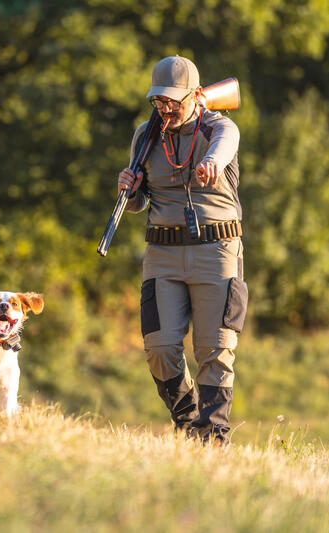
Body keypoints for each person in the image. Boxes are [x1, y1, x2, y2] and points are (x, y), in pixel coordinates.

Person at [117, 55, 248, 445]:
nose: (166, 108)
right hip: (163, 253)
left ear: (196, 95)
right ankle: (189, 421)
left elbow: (223, 149)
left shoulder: (220, 128)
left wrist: (209, 163)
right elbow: (139, 204)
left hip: (216, 250)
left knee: (215, 349)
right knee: (158, 348)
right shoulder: (146, 134)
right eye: (159, 101)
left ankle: (213, 437)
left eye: (173, 101)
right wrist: (130, 188)